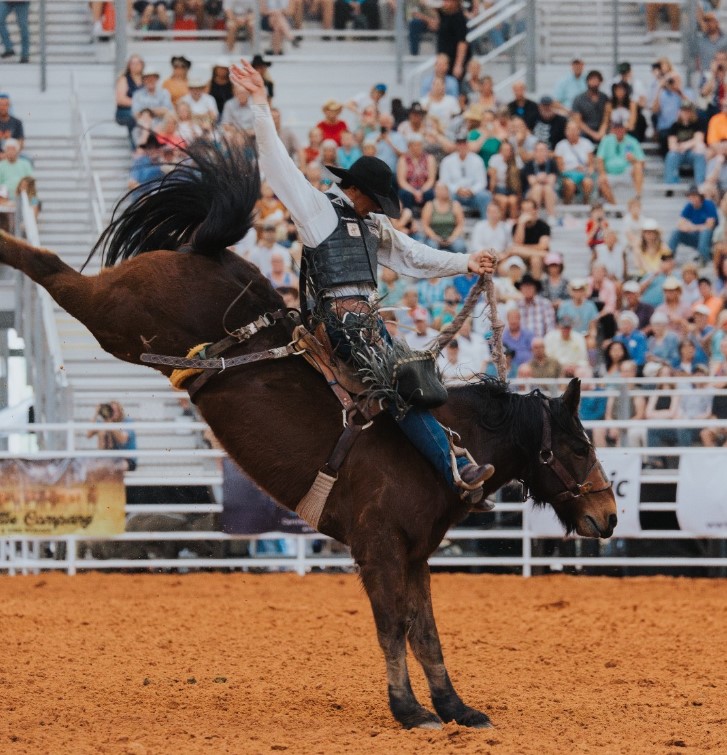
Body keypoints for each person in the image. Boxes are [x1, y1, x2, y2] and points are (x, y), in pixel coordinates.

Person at [230, 57, 497, 505]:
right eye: (376, 202)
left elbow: (413, 255)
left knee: (419, 381)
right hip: (340, 323)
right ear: (357, 192)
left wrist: (466, 261)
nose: (378, 210)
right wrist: (260, 102)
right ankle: (455, 472)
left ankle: (451, 463)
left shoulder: (370, 224)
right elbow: (277, 163)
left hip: (365, 324)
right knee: (402, 383)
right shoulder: (318, 210)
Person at [438, 130, 490, 218]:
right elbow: (444, 181)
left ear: (467, 144)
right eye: (459, 143)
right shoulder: (447, 161)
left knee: (485, 196)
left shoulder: (477, 160)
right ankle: (449, 222)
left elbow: (482, 182)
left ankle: (485, 224)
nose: (462, 146)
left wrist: (472, 190)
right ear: (456, 145)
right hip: (455, 194)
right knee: (445, 194)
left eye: (464, 143)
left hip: (473, 194)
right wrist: (457, 189)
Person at [596, 116, 645, 202]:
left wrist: (633, 159)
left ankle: (638, 196)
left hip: (626, 172)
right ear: (613, 129)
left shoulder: (632, 141)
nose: (619, 130)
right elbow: (599, 159)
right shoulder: (606, 140)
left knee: (638, 166)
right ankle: (615, 207)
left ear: (625, 129)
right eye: (616, 128)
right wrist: (603, 173)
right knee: (601, 179)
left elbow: (642, 162)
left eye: (621, 128)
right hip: (610, 173)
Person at [668, 185, 719, 264]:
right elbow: (680, 224)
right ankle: (668, 257)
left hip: (711, 238)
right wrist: (697, 227)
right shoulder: (689, 206)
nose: (692, 198)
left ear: (700, 196)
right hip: (695, 236)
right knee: (676, 232)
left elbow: (710, 225)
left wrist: (691, 227)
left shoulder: (708, 204)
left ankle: (704, 258)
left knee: (705, 232)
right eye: (690, 196)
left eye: (695, 196)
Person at [664, 101, 707, 189]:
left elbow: (698, 139)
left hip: (692, 152)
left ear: (692, 112)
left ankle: (700, 185)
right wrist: (680, 147)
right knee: (671, 155)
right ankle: (670, 185)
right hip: (679, 152)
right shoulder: (675, 126)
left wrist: (685, 145)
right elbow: (671, 144)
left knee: (700, 154)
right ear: (680, 112)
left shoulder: (697, 124)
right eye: (683, 111)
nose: (686, 113)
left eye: (688, 111)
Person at [87, 401, 138, 471]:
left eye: (116, 410)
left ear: (120, 411)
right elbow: (88, 434)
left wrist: (110, 425)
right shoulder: (104, 422)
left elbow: (122, 440)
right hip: (109, 459)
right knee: (102, 432)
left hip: (127, 459)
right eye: (111, 410)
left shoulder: (127, 422)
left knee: (114, 467)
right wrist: (96, 413)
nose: (113, 413)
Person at [554, 119, 596, 204]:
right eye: (570, 129)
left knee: (588, 182)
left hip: (584, 173)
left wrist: (587, 171)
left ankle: (586, 204)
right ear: (566, 131)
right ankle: (567, 204)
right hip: (568, 174)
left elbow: (591, 165)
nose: (572, 132)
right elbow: (560, 168)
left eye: (574, 129)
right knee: (570, 184)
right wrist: (574, 168)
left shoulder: (587, 143)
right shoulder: (560, 145)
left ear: (579, 131)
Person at [418, 182, 466, 253]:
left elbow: (460, 224)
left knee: (460, 247)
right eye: (440, 189)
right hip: (433, 238)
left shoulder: (455, 205)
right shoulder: (429, 205)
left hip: (452, 237)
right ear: (435, 191)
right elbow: (425, 225)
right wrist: (435, 237)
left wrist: (452, 238)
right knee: (432, 247)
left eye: (444, 189)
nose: (442, 191)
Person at [396, 133, 437, 213]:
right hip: (409, 187)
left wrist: (421, 191)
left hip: (424, 187)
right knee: (404, 193)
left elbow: (431, 179)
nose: (418, 147)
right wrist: (414, 192)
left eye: (419, 145)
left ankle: (427, 215)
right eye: (415, 145)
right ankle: (408, 216)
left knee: (430, 193)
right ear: (409, 146)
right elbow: (401, 181)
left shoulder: (429, 158)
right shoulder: (403, 159)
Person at [511, 197, 550, 277]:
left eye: (528, 210)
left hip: (538, 257)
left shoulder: (543, 226)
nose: (526, 213)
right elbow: (518, 243)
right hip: (523, 256)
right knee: (514, 261)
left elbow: (543, 246)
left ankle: (536, 286)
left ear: (535, 210)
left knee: (535, 259)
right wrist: (521, 224)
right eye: (524, 210)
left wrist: (521, 248)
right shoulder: (516, 226)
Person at [522, 140, 559, 224]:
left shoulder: (552, 163)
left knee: (547, 188)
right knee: (538, 188)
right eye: (538, 150)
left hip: (549, 192)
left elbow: (552, 181)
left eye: (543, 150)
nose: (541, 153)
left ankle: (551, 216)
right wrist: (543, 178)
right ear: (534, 152)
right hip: (532, 192)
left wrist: (538, 178)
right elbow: (531, 182)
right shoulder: (529, 164)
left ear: (547, 152)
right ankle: (535, 216)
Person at [572, 70, 609, 144]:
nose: (594, 83)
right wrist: (593, 134)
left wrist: (601, 133)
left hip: (601, 130)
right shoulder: (579, 99)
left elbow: (606, 118)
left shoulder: (605, 98)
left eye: (597, 80)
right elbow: (578, 121)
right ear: (587, 81)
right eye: (592, 80)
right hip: (585, 131)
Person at [515, 273, 556, 339]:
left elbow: (550, 329)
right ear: (520, 289)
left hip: (541, 344)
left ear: (535, 288)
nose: (527, 289)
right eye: (524, 286)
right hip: (521, 346)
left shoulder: (545, 304)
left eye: (530, 286)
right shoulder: (516, 305)